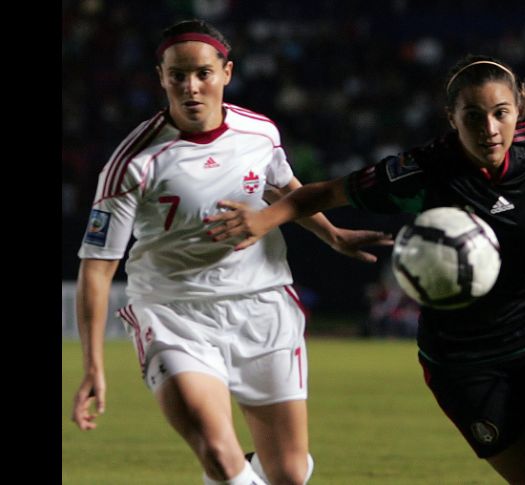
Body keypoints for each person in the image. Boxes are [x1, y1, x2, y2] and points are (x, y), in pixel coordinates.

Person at [205, 54, 525, 484]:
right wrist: (268, 219)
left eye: (501, 114)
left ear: (517, 114)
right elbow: (323, 192)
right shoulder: (424, 171)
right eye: (473, 116)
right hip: (463, 362)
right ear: (452, 118)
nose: (489, 129)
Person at [70, 19, 391, 485]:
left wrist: (334, 235)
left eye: (202, 73)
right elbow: (97, 270)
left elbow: (286, 189)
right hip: (174, 315)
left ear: (226, 73)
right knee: (221, 458)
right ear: (161, 77)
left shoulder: (259, 133)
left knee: (290, 474)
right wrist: (93, 367)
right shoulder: (132, 164)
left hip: (262, 307)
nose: (190, 86)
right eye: (177, 75)